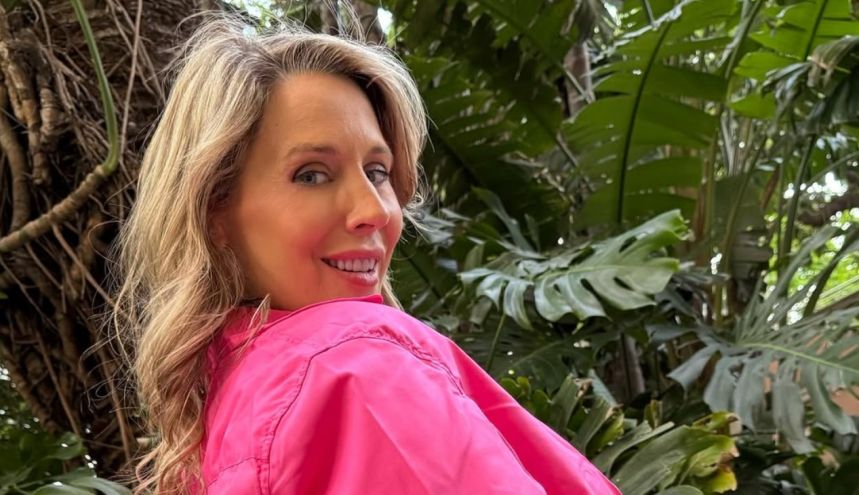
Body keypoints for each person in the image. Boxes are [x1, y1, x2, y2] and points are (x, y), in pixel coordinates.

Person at [110, 14, 621, 495]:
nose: (375, 209)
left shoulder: (229, 409)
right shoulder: (354, 369)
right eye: (312, 174)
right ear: (214, 210)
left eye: (378, 172)